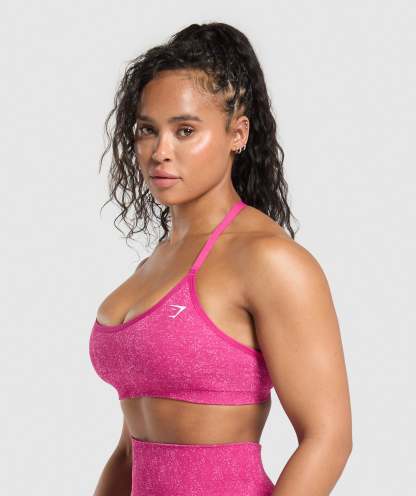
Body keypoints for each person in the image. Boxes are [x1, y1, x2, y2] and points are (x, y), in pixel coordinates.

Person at [89, 22, 352, 496]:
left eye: (185, 130)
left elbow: (328, 439)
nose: (160, 152)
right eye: (148, 130)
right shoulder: (153, 265)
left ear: (237, 133)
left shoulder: (269, 260)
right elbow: (130, 451)